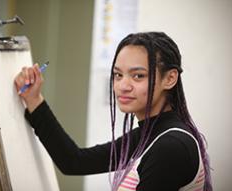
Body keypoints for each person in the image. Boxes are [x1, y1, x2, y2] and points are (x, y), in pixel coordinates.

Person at [14, 32, 212, 191]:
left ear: (170, 79)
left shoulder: (170, 146)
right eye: (118, 75)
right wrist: (33, 99)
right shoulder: (148, 136)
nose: (122, 86)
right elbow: (74, 161)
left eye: (138, 76)